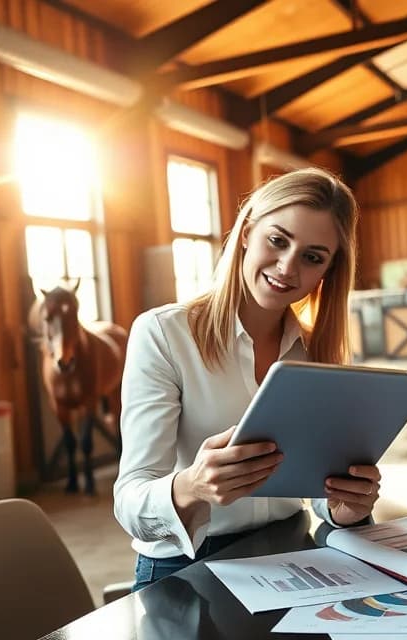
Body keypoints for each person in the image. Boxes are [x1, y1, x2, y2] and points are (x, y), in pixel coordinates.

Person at [113, 168, 380, 592]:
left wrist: (346, 507)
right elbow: (129, 502)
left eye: (312, 257)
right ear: (246, 232)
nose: (287, 266)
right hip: (184, 568)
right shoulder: (163, 334)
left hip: (293, 553)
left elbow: (316, 490)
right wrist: (193, 485)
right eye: (277, 240)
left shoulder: (317, 352)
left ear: (328, 270)